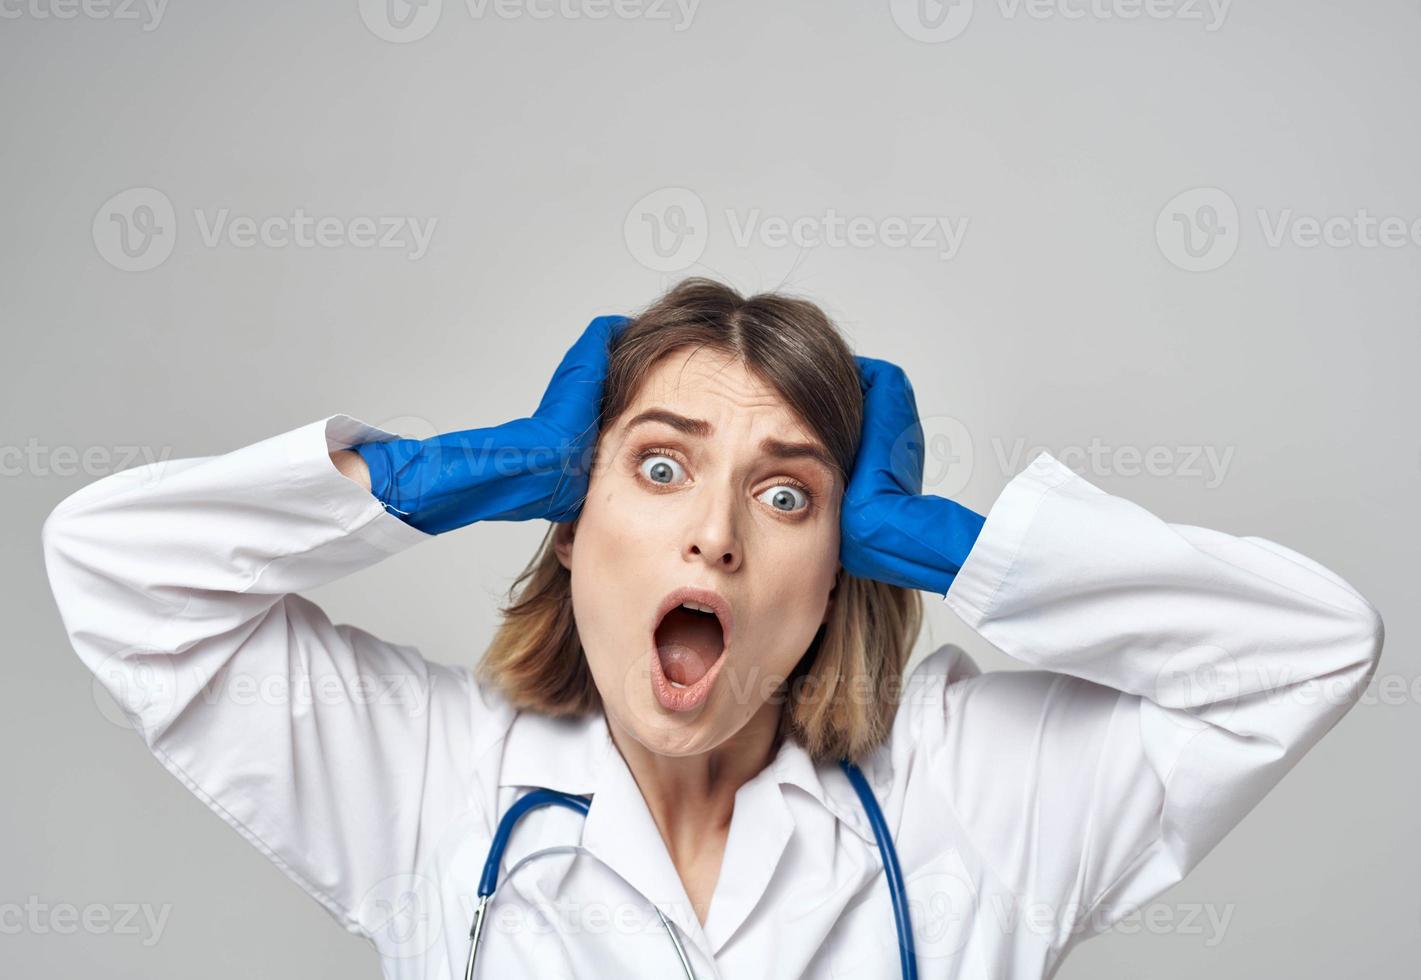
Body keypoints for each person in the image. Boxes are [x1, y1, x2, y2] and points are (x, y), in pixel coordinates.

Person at [42, 278, 1384, 978]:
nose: (716, 536)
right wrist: (435, 473)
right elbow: (114, 567)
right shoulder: (429, 780)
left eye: (788, 493)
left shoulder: (978, 794)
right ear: (570, 514)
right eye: (662, 467)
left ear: (840, 561)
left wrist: (962, 551)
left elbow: (1305, 650)